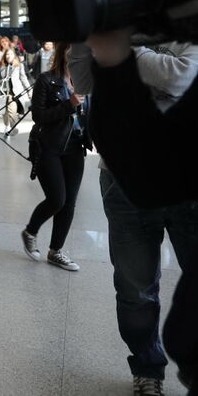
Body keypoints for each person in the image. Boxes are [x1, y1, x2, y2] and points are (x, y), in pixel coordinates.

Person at [70, 40, 198, 396]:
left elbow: (180, 77)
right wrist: (90, 35)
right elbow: (82, 82)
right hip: (124, 179)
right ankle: (147, 367)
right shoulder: (107, 31)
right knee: (135, 288)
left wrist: (119, 53)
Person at [21, 42, 90, 272]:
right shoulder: (46, 80)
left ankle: (55, 251)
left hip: (75, 147)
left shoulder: (87, 82)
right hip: (47, 145)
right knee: (57, 199)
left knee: (70, 202)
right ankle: (31, 230)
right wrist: (69, 105)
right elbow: (38, 116)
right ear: (66, 54)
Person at [0, 48, 32, 135]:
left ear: (14, 56)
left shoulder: (19, 66)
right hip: (3, 92)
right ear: (5, 56)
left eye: (11, 54)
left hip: (14, 93)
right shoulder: (1, 66)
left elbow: (23, 78)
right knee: (4, 113)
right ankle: (6, 125)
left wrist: (29, 90)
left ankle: (13, 127)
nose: (9, 56)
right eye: (7, 54)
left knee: (12, 110)